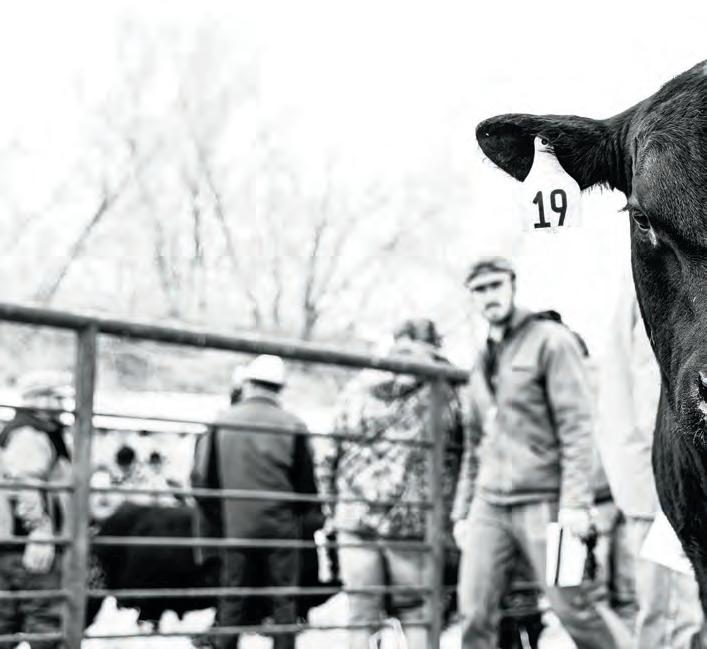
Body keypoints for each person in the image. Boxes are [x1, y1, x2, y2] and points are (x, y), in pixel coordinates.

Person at [452, 256, 631, 649]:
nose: (489, 296)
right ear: (471, 298)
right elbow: (474, 444)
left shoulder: (551, 341)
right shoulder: (481, 359)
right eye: (479, 290)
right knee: (473, 611)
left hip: (546, 503)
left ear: (512, 286)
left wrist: (575, 503)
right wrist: (462, 511)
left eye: (495, 285)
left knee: (575, 607)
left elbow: (577, 427)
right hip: (488, 505)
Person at [317, 325, 463, 649]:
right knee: (417, 614)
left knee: (361, 616)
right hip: (413, 522)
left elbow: (327, 457)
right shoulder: (441, 389)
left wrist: (332, 510)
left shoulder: (356, 388)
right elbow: (457, 454)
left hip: (354, 519)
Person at [596, 271, 702, 649]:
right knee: (672, 615)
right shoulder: (651, 281)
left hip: (664, 477)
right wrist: (650, 488)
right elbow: (631, 399)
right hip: (660, 483)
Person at [191, 354, 318, 649]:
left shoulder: (221, 422)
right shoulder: (294, 425)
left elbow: (204, 480)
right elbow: (306, 488)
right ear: (280, 388)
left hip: (236, 526)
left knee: (232, 597)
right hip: (281, 529)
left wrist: (225, 516)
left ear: (248, 383)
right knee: (284, 600)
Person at [0, 370, 73, 648]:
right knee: (45, 622)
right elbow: (26, 484)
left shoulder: (26, 431)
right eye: (56, 397)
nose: (62, 405)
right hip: (31, 548)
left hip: (15, 544)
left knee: (7, 620)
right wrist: (39, 531)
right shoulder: (31, 434)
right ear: (37, 399)